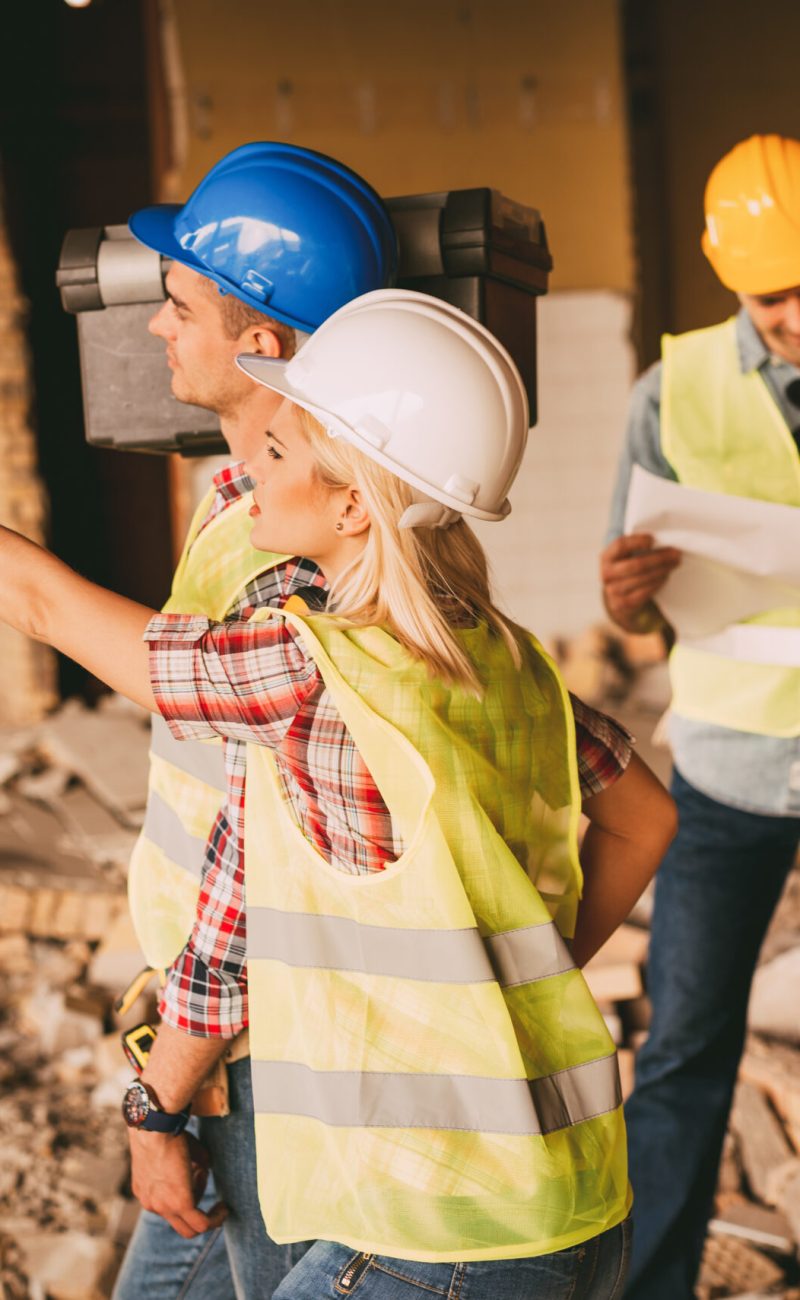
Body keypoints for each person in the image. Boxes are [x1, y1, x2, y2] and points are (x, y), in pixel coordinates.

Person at [0, 288, 675, 1298]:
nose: (244, 475)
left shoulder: (307, 666)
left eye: (276, 453)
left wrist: (153, 1104)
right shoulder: (509, 661)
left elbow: (45, 603)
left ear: (356, 502)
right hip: (570, 1207)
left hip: (437, 1228)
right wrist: (521, 977)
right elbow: (643, 815)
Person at [110, 140, 398, 1300]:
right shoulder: (235, 504)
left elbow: (249, 872)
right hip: (216, 1033)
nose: (152, 328)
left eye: (178, 305)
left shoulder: (287, 565)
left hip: (260, 1055)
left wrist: (159, 1093)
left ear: (263, 345)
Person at [600, 134, 800, 1300]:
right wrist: (622, 598)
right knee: (680, 1048)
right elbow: (632, 608)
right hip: (726, 771)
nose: (797, 313)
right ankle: (651, 1284)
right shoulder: (670, 393)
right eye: (774, 293)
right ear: (728, 278)